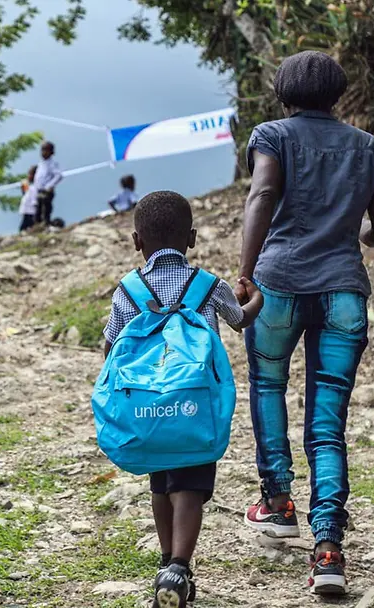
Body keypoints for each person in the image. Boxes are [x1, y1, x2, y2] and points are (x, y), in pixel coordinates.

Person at [235, 51, 374, 596]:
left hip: (278, 284)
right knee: (328, 422)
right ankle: (328, 550)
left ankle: (278, 503)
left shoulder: (272, 135)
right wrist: (356, 234)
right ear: (338, 94)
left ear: (282, 94)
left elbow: (263, 193)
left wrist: (245, 273)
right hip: (343, 292)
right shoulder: (368, 147)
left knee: (268, 386)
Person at [103, 191, 264, 608]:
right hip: (194, 408)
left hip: (148, 410)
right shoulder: (209, 286)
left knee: (161, 484)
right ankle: (179, 566)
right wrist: (257, 299)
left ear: (137, 241)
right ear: (191, 238)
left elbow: (111, 349)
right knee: (189, 487)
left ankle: (165, 562)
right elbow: (240, 319)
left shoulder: (127, 290)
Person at [33, 141, 62, 226]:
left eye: (46, 150)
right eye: (42, 150)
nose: (44, 152)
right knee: (38, 210)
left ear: (51, 152)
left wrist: (49, 186)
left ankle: (46, 224)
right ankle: (37, 226)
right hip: (39, 190)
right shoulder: (41, 163)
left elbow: (58, 175)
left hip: (46, 191)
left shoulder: (52, 163)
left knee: (46, 210)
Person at [18, 165, 38, 232]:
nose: (28, 176)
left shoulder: (34, 188)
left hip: (30, 213)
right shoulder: (31, 187)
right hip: (27, 213)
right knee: (24, 228)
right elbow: (25, 194)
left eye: (30, 174)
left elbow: (34, 202)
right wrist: (23, 188)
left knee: (23, 228)